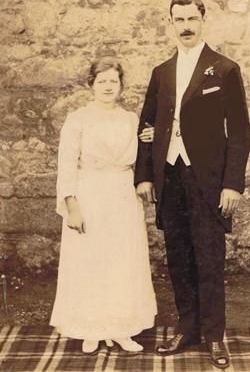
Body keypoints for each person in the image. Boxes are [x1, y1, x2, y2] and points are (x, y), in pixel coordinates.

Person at [135, 0, 250, 369]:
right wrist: (145, 176)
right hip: (169, 178)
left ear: (202, 21)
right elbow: (146, 126)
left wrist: (232, 184)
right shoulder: (161, 72)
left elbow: (240, 132)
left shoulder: (224, 69)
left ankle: (214, 336)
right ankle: (188, 328)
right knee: (179, 258)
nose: (185, 26)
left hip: (209, 181)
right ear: (170, 23)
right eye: (178, 20)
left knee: (209, 258)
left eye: (191, 19)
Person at [50, 57, 157, 354]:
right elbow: (67, 165)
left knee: (122, 261)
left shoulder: (130, 120)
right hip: (90, 194)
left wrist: (151, 137)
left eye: (113, 81)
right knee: (92, 260)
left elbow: (145, 155)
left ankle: (121, 328)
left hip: (122, 196)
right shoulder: (78, 119)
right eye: (102, 81)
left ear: (121, 85)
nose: (108, 86)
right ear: (91, 85)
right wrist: (71, 206)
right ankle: (91, 328)